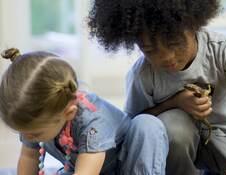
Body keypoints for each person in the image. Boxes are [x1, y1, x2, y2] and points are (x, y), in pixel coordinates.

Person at [87, 0, 226, 174]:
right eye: (150, 49)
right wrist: (175, 102)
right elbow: (136, 127)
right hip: (173, 148)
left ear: (194, 25)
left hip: (222, 134)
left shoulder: (222, 49)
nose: (166, 56)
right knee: (174, 127)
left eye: (174, 43)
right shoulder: (142, 74)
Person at [0, 48, 168, 175]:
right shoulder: (35, 119)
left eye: (35, 133)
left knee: (147, 125)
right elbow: (29, 157)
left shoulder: (92, 121)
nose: (28, 137)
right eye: (23, 131)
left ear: (69, 113)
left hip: (123, 167)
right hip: (86, 169)